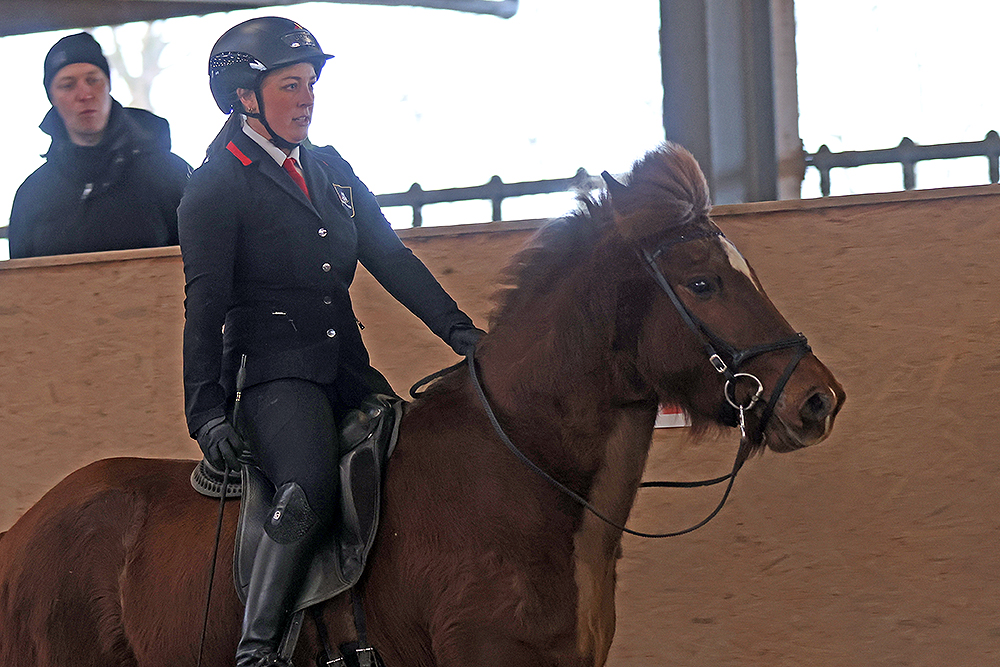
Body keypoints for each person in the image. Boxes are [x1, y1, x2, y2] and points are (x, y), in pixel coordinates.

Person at [178, 17, 484, 667]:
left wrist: (461, 332)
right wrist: (204, 412)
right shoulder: (215, 186)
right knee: (309, 487)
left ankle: (373, 629)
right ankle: (258, 646)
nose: (308, 97)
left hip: (347, 365)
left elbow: (391, 258)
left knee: (410, 465)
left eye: (311, 83)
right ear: (245, 98)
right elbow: (203, 305)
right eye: (291, 85)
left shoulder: (331, 171)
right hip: (273, 375)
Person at [8, 32, 190, 259]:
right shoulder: (33, 195)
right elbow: (20, 286)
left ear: (108, 85)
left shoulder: (169, 173)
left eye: (93, 80)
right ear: (51, 97)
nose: (84, 94)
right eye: (67, 85)